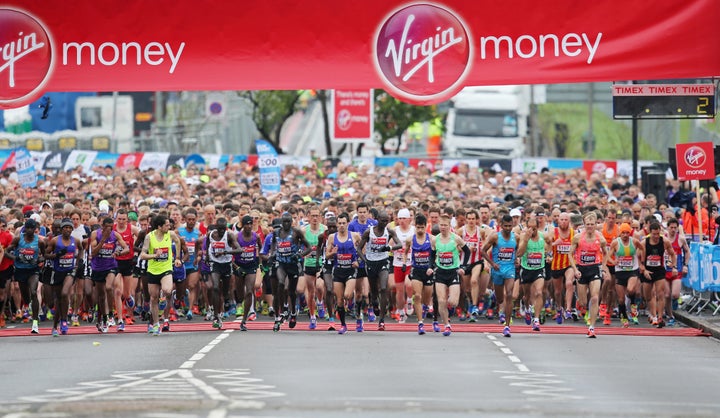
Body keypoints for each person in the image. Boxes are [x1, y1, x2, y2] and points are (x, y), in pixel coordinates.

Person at [358, 210, 403, 331]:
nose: (384, 223)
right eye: (382, 221)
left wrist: (389, 247)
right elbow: (358, 248)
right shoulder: (369, 232)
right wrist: (365, 260)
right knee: (374, 291)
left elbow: (400, 245)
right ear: (377, 219)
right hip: (371, 263)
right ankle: (374, 302)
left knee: (383, 288)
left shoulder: (389, 232)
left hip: (383, 262)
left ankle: (382, 320)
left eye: (386, 221)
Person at [140, 215, 184, 335]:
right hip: (153, 270)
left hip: (166, 268)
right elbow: (142, 255)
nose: (169, 226)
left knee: (167, 290)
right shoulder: (150, 237)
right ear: (159, 226)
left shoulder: (170, 234)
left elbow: (178, 241)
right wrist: (154, 256)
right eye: (166, 225)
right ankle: (155, 324)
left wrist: (178, 257)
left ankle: (163, 298)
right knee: (153, 298)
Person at [568, 212, 608, 338]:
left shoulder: (600, 238)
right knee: (584, 302)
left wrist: (603, 267)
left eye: (592, 224)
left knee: (595, 297)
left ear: (596, 224)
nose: (590, 226)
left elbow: (606, 253)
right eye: (588, 224)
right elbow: (570, 254)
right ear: (584, 225)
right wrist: (575, 269)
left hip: (595, 268)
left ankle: (592, 327)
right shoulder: (578, 237)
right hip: (581, 269)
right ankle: (580, 303)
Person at [269, 212, 311, 330]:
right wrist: (272, 254)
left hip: (293, 264)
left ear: (291, 222)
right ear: (282, 222)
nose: (286, 224)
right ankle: (281, 313)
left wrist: (299, 255)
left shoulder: (296, 232)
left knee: (292, 292)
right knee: (280, 284)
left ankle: (293, 313)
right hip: (281, 263)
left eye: (288, 221)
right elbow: (273, 244)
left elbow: (308, 248)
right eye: (284, 221)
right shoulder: (277, 233)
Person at [5, 219, 47, 334]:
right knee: (26, 297)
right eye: (27, 228)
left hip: (33, 270)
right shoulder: (18, 239)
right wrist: (16, 258)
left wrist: (39, 259)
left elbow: (45, 255)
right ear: (24, 229)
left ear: (35, 230)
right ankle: (28, 305)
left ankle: (35, 323)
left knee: (34, 292)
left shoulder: (40, 242)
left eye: (31, 228)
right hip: (20, 270)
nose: (29, 230)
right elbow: (6, 252)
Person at [431, 214, 470, 336]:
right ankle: (446, 325)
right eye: (441, 225)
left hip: (453, 272)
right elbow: (431, 255)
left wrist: (463, 266)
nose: (443, 227)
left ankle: (451, 309)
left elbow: (467, 251)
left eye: (445, 225)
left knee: (453, 302)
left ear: (449, 226)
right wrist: (431, 267)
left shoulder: (456, 238)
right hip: (440, 272)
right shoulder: (435, 239)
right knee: (441, 301)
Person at [89, 217, 129, 333]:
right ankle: (104, 318)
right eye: (108, 227)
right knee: (101, 296)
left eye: (111, 227)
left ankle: (111, 313)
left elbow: (126, 248)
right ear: (102, 226)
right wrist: (103, 240)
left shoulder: (115, 235)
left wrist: (118, 252)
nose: (110, 230)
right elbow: (94, 252)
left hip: (111, 266)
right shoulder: (95, 234)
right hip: (97, 267)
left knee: (109, 287)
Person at [45, 218, 82, 336]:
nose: (68, 230)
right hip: (57, 272)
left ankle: (64, 320)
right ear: (62, 229)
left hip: (70, 271)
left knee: (65, 293)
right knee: (58, 300)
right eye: (66, 227)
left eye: (70, 228)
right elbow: (46, 254)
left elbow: (81, 250)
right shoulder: (55, 241)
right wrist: (56, 255)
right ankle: (55, 326)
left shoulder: (75, 240)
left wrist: (78, 262)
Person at [325, 212, 361, 334]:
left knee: (347, 295)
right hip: (338, 270)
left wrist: (358, 261)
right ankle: (343, 325)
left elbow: (363, 249)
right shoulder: (332, 237)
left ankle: (353, 305)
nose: (341, 225)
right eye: (339, 223)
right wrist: (332, 253)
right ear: (336, 224)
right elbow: (327, 255)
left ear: (348, 223)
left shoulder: (355, 236)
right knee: (339, 300)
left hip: (350, 270)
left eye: (343, 223)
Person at [482, 215, 517, 337]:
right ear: (501, 225)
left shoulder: (515, 237)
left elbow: (519, 250)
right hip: (497, 270)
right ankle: (494, 298)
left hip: (510, 270)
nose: (508, 228)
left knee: (509, 294)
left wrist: (517, 258)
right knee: (500, 299)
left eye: (510, 226)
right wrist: (492, 263)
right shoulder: (495, 236)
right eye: (505, 226)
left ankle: (507, 326)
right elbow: (482, 250)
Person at [204, 217, 241, 330]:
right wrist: (207, 257)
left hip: (226, 264)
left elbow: (240, 249)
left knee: (225, 291)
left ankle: (226, 301)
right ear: (216, 227)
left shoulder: (229, 235)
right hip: (215, 264)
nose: (221, 231)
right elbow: (207, 245)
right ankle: (216, 316)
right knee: (215, 287)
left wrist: (226, 251)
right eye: (219, 229)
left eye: (223, 229)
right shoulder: (210, 235)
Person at [516, 217, 551, 332]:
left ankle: (536, 319)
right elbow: (519, 254)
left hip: (539, 269)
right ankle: (526, 308)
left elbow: (550, 242)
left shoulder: (543, 236)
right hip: (526, 269)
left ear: (537, 227)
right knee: (527, 296)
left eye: (534, 228)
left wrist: (548, 254)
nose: (532, 231)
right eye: (529, 228)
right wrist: (525, 240)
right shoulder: (523, 236)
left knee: (539, 292)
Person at [403, 213, 435, 335]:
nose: (420, 230)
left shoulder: (431, 239)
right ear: (415, 226)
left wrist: (432, 267)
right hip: (416, 270)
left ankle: (426, 307)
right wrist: (405, 263)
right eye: (418, 227)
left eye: (422, 227)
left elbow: (436, 255)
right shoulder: (410, 239)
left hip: (428, 271)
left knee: (426, 299)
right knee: (417, 296)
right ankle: (420, 323)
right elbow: (405, 252)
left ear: (426, 226)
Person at [640, 221, 676, 328]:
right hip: (647, 270)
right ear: (650, 233)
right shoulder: (644, 243)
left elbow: (673, 254)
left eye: (657, 234)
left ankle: (659, 317)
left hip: (659, 270)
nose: (656, 236)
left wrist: (673, 266)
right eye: (654, 234)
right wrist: (644, 270)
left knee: (660, 293)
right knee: (648, 296)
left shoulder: (664, 241)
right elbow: (638, 259)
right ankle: (652, 314)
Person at [608, 222, 644, 328]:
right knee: (620, 299)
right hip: (619, 272)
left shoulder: (634, 241)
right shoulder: (615, 243)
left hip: (632, 270)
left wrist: (641, 262)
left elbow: (643, 248)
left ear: (630, 233)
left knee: (631, 289)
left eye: (627, 233)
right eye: (623, 233)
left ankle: (633, 305)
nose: (625, 235)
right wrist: (613, 261)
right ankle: (624, 318)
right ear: (620, 233)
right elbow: (608, 255)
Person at [299, 206, 325, 330]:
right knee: (310, 293)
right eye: (312, 215)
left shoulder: (324, 230)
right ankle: (312, 317)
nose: (315, 218)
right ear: (308, 217)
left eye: (317, 215)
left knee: (319, 286)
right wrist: (303, 253)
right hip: (309, 263)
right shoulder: (304, 231)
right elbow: (298, 246)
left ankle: (320, 302)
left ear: (320, 217)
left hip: (321, 263)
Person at [234, 215, 261, 331]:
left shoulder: (256, 237)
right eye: (247, 224)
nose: (249, 226)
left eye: (251, 224)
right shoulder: (237, 237)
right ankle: (239, 303)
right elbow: (230, 255)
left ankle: (244, 320)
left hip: (251, 266)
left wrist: (259, 263)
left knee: (249, 291)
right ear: (243, 225)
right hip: (239, 266)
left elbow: (261, 249)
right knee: (240, 293)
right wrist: (235, 267)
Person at [113, 209, 139, 331]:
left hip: (128, 262)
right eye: (119, 219)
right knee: (117, 291)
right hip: (116, 262)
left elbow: (145, 237)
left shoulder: (132, 228)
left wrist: (137, 250)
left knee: (126, 293)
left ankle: (128, 298)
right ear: (116, 219)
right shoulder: (112, 228)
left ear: (127, 220)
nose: (122, 221)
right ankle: (120, 319)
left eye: (124, 219)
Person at [549, 212, 575, 322]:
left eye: (566, 220)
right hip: (556, 265)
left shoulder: (574, 233)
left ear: (569, 221)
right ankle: (559, 308)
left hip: (569, 264)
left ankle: (568, 309)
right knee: (558, 291)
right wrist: (555, 243)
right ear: (558, 221)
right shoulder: (553, 232)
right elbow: (545, 247)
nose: (564, 222)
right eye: (562, 219)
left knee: (569, 283)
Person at [665, 218, 689, 326]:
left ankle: (673, 304)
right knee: (666, 295)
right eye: (671, 228)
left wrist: (685, 265)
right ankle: (670, 316)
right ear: (667, 227)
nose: (673, 230)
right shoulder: (663, 239)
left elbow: (687, 252)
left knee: (675, 294)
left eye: (675, 228)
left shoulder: (681, 239)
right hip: (665, 270)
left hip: (677, 270)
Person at [0, 217, 14, 328]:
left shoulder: (7, 236)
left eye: (2, 226)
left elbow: (10, 250)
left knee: (2, 293)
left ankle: (1, 315)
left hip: (5, 268)